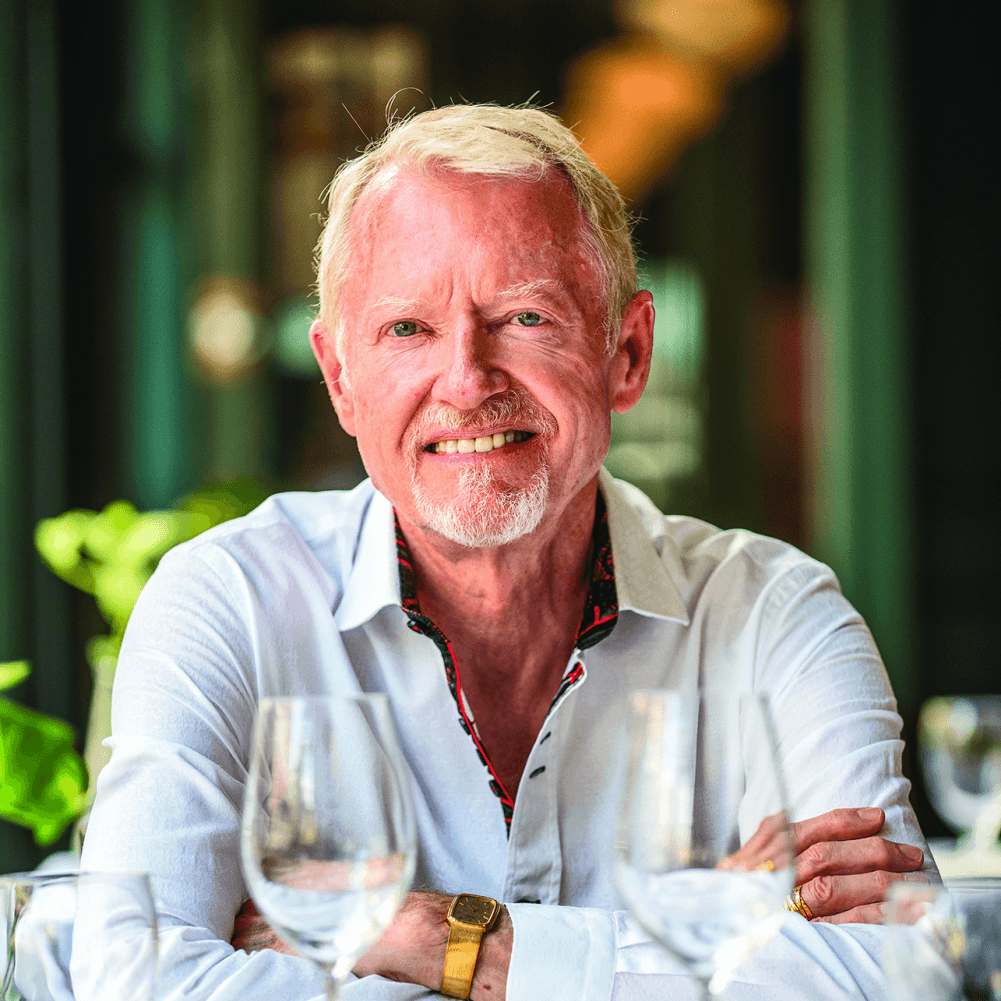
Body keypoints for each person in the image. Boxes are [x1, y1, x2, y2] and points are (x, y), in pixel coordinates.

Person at [81, 105, 933, 1001]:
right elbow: (132, 981)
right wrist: (701, 944)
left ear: (627, 352)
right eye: (407, 329)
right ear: (340, 377)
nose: (466, 381)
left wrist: (436, 940)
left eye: (524, 317)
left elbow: (897, 976)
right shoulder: (229, 600)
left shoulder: (772, 614)